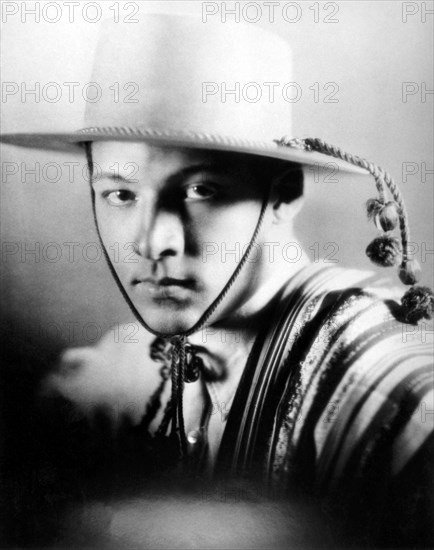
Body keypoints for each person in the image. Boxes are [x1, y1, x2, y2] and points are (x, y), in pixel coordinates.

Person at [2, 11, 433, 548]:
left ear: (284, 195)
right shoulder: (130, 370)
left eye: (201, 190)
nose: (154, 241)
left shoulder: (384, 383)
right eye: (120, 194)